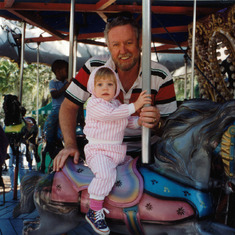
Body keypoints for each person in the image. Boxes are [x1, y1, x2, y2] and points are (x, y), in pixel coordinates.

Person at [53, 12, 177, 172]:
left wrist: (157, 123)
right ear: (109, 47)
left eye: (129, 43)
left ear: (140, 43)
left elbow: (172, 128)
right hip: (102, 152)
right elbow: (68, 106)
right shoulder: (94, 68)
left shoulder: (160, 75)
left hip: (148, 153)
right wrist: (70, 144)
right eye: (116, 45)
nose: (123, 50)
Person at [83, 66, 151, 234]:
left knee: (134, 170)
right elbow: (111, 115)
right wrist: (136, 105)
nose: (105, 88)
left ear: (116, 88)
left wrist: (139, 122)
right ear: (93, 87)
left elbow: (125, 121)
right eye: (100, 84)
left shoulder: (116, 104)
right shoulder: (94, 104)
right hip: (98, 151)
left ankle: (126, 204)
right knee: (105, 175)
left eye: (109, 84)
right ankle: (94, 210)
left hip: (116, 152)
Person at [42, 60, 70, 171]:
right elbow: (54, 95)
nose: (67, 72)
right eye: (65, 70)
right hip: (57, 109)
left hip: (68, 109)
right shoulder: (53, 82)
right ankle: (48, 140)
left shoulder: (68, 82)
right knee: (50, 122)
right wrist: (66, 87)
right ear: (58, 71)